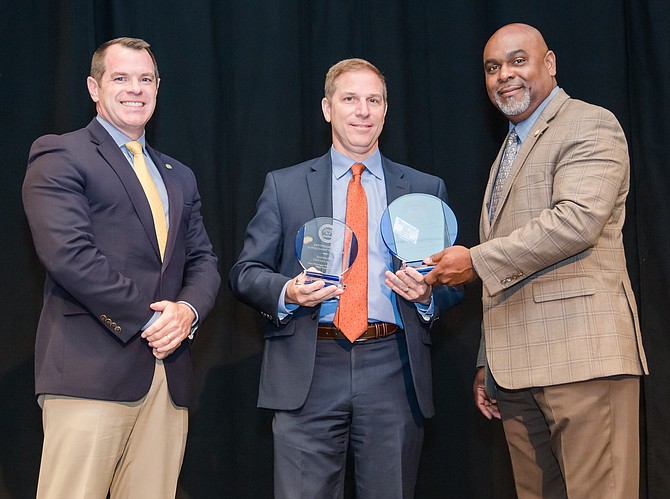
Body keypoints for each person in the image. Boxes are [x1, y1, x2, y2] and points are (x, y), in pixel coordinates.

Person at [424, 23, 648, 498]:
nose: (504, 75)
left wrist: (475, 260)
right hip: (517, 375)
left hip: (582, 361)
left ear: (549, 63)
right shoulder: (508, 149)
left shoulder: (590, 123)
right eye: (492, 67)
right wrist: (489, 361)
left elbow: (576, 221)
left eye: (517, 60)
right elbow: (509, 266)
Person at [229, 58, 461, 498]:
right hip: (308, 364)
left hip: (393, 366)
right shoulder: (285, 185)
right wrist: (288, 291)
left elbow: (456, 282)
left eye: (373, 100)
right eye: (350, 99)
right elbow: (245, 273)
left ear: (385, 110)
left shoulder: (424, 189)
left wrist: (428, 296)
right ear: (326, 108)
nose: (363, 111)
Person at [22, 37, 220, 498]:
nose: (136, 89)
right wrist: (153, 319)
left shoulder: (179, 174)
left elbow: (203, 260)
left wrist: (186, 313)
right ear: (94, 87)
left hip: (167, 380)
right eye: (121, 78)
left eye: (146, 79)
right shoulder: (61, 153)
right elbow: (69, 255)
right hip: (89, 372)